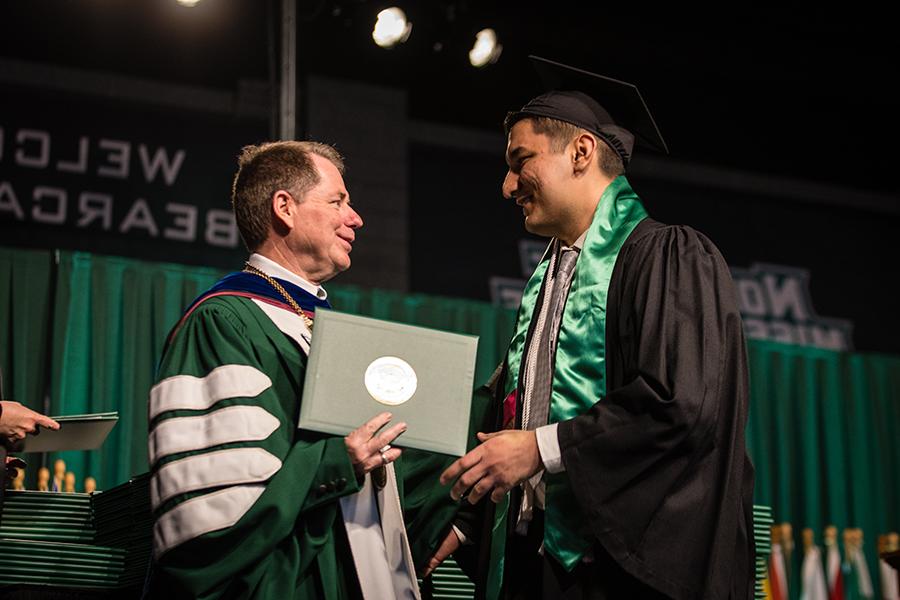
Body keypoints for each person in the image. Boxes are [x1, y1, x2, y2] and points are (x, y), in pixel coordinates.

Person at [436, 57, 755, 599]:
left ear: (581, 152)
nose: (507, 185)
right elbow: (516, 417)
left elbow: (681, 405)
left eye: (521, 160)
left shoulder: (669, 258)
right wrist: (469, 519)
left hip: (625, 569)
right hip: (535, 561)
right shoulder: (549, 280)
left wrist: (540, 449)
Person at [146, 141, 421, 599]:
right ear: (284, 208)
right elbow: (212, 520)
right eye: (338, 201)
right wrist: (339, 460)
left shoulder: (317, 326)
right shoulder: (225, 322)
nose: (356, 218)